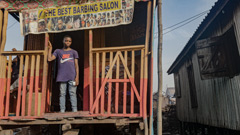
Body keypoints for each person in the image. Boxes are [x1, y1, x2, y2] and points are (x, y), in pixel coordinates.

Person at [48, 35, 79, 113]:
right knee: (62, 94)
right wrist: (50, 48)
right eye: (66, 40)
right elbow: (49, 59)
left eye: (69, 41)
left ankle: (74, 110)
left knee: (72, 93)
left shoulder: (74, 52)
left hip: (72, 76)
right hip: (62, 76)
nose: (67, 42)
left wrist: (77, 77)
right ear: (63, 41)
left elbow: (76, 65)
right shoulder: (58, 51)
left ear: (71, 42)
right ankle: (62, 111)